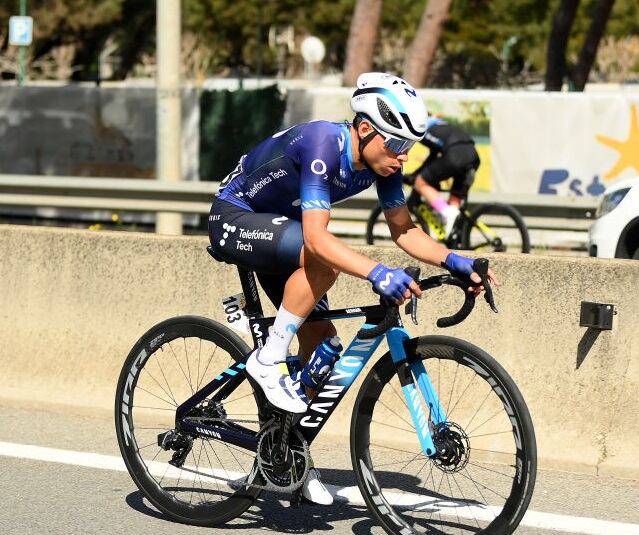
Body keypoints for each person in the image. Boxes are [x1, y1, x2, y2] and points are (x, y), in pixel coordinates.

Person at [208, 72, 497, 505]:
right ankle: (268, 360)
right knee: (323, 259)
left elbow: (404, 231)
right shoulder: (323, 143)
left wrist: (454, 259)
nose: (402, 157)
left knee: (324, 352)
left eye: (409, 148)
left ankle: (286, 453)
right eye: (396, 144)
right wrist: (377, 273)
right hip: (235, 216)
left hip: (280, 233)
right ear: (365, 129)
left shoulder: (381, 165)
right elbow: (317, 240)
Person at [413, 116, 481, 232]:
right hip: (473, 156)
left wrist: (414, 175)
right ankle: (454, 237)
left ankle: (446, 212)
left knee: (420, 183)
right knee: (455, 200)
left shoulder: (423, 128)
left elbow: (433, 156)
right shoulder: (442, 124)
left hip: (456, 156)